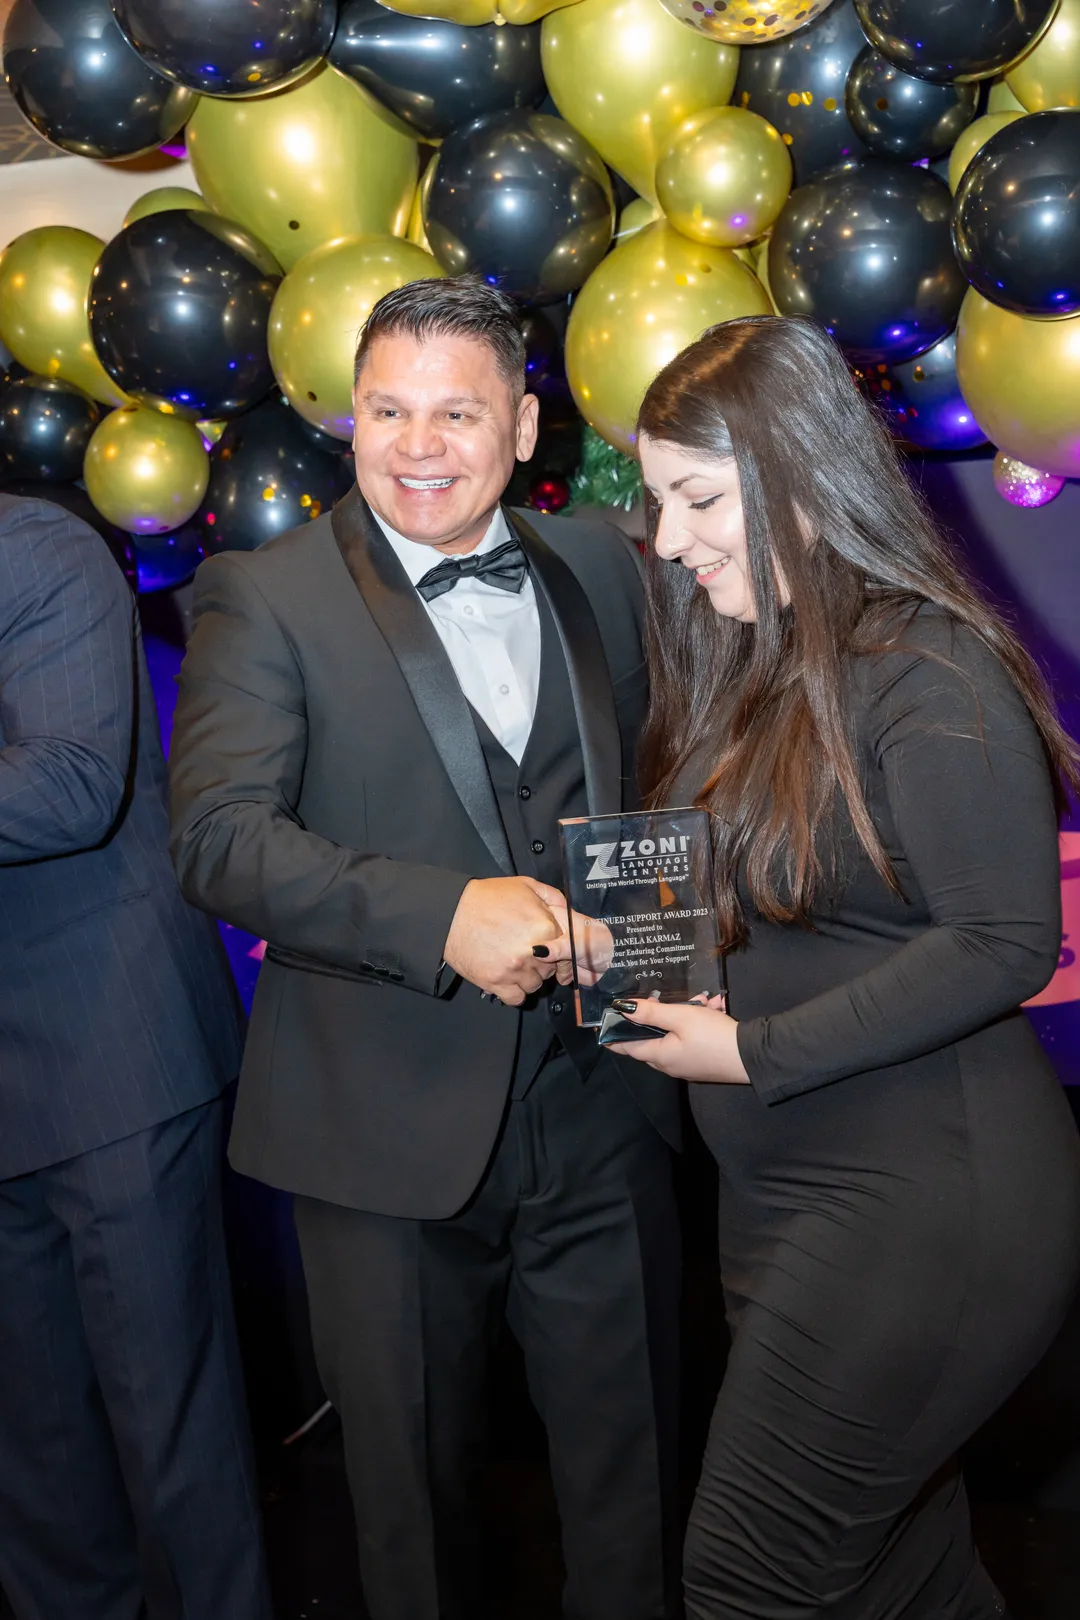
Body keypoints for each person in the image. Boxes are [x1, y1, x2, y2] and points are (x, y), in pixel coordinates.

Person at [168, 277, 682, 1620]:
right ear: (350, 421)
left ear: (522, 428)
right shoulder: (260, 595)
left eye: (457, 411)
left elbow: (653, 789)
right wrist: (437, 914)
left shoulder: (605, 566)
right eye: (387, 410)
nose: (417, 444)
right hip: (377, 1130)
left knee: (635, 1496)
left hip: (603, 1107)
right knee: (412, 1521)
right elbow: (219, 839)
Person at [611, 315, 1080, 1620]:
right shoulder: (763, 672)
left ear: (804, 473)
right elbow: (781, 908)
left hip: (930, 1210)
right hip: (796, 1201)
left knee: (747, 1583)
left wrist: (752, 1052)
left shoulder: (929, 669)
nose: (670, 539)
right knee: (896, 1580)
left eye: (698, 497)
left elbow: (1002, 945)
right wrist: (642, 953)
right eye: (659, 503)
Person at [0, 494, 271, 1619]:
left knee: (176, 1453)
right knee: (37, 1479)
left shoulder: (36, 547)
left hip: (109, 1056)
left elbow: (68, 782)